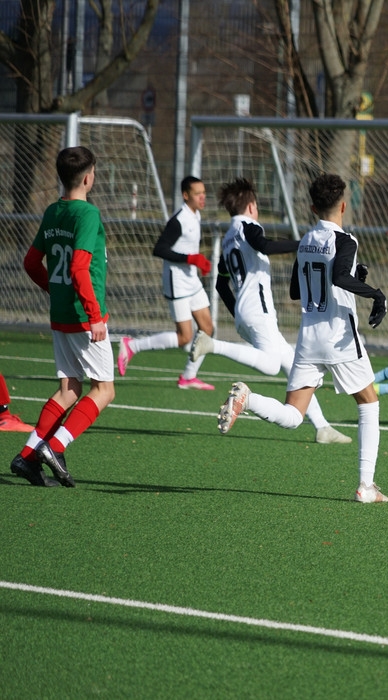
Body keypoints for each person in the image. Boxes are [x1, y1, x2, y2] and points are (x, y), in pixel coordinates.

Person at [216, 173, 388, 503]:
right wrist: (375, 294)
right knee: (369, 403)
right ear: (343, 205)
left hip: (308, 340)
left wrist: (354, 276)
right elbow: (338, 277)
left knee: (294, 415)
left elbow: (297, 290)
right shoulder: (346, 240)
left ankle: (248, 399)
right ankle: (366, 486)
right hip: (338, 337)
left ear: (312, 208)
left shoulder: (307, 239)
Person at [187, 177, 350, 445]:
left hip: (244, 313)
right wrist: (302, 243)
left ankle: (322, 427)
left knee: (293, 365)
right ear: (251, 206)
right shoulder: (249, 226)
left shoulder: (228, 237)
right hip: (257, 310)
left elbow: (220, 283)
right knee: (273, 365)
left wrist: (238, 312)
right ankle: (213, 345)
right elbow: (264, 245)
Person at [10, 146, 116, 487]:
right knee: (104, 390)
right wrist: (95, 316)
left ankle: (27, 457)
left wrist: (54, 290)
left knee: (69, 388)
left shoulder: (53, 211)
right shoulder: (87, 214)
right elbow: (79, 268)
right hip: (84, 316)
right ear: (88, 178)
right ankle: (55, 447)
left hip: (61, 313)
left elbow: (31, 262)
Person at [116, 175, 215, 390]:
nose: (202, 197)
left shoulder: (196, 215)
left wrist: (199, 262)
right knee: (184, 337)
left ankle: (188, 376)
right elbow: (159, 249)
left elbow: (188, 250)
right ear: (186, 195)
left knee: (207, 328)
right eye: (197, 194)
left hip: (192, 281)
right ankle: (132, 346)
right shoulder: (178, 220)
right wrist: (191, 259)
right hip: (177, 283)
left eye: (204, 193)